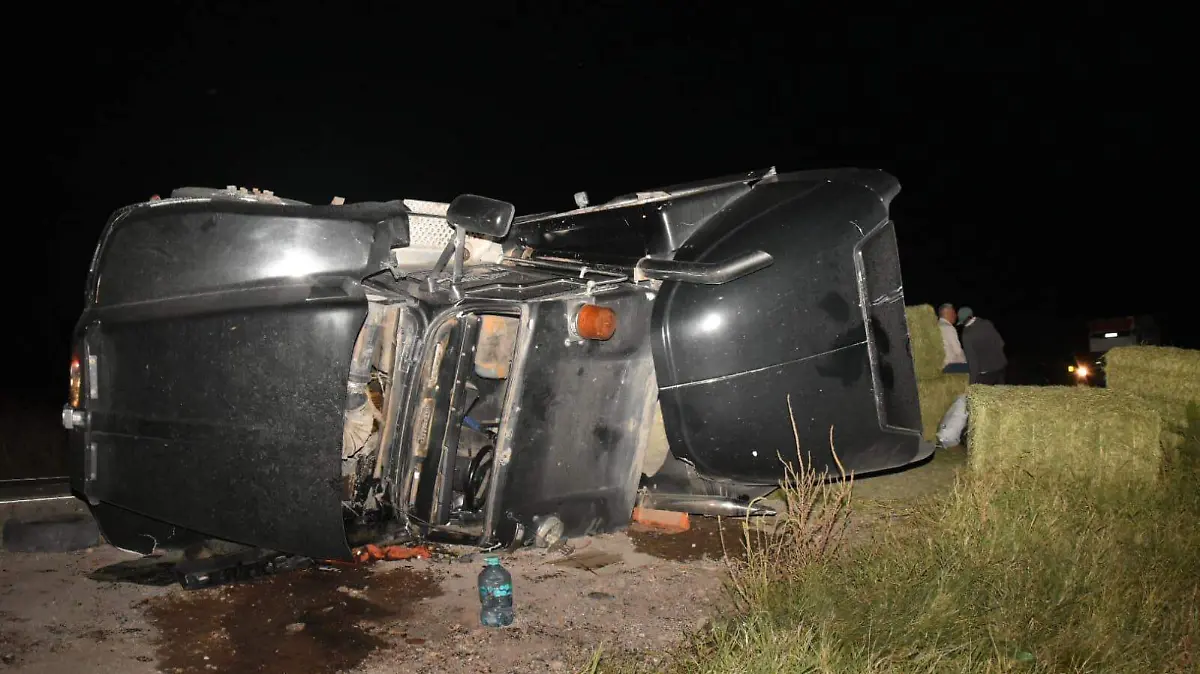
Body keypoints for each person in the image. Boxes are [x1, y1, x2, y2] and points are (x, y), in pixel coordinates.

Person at [957, 306, 1007, 385]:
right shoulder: (987, 323)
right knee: (1001, 395)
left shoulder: (966, 335)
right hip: (1000, 367)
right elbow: (1001, 343)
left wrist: (972, 383)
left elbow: (972, 362)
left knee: (984, 396)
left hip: (985, 374)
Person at [937, 303, 969, 373]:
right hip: (950, 366)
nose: (956, 315)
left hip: (940, 365)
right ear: (947, 313)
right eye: (954, 313)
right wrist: (968, 362)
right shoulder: (948, 327)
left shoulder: (936, 326)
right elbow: (958, 352)